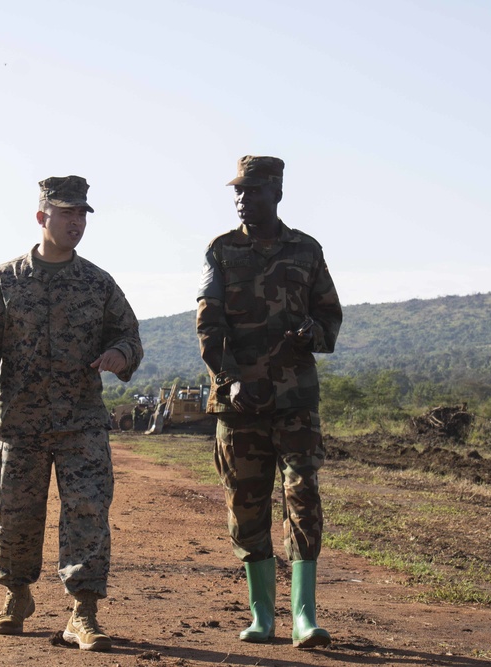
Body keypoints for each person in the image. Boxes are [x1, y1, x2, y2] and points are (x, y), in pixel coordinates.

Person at [0, 175, 143, 652]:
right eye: (67, 214)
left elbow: (128, 336)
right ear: (43, 217)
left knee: (87, 513)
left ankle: (83, 613)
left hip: (81, 422)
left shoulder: (97, 283)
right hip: (20, 425)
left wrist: (121, 355)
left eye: (82, 214)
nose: (76, 222)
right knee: (15, 515)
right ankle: (17, 596)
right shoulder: (4, 282)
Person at [195, 156, 342, 648]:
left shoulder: (306, 250)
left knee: (302, 495)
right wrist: (229, 377)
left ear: (276, 193)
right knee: (246, 504)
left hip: (295, 398)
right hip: (240, 405)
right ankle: (263, 616)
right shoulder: (220, 251)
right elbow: (208, 325)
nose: (243, 198)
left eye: (254, 190)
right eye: (238, 191)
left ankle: (304, 615)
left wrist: (314, 332)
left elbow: (330, 315)